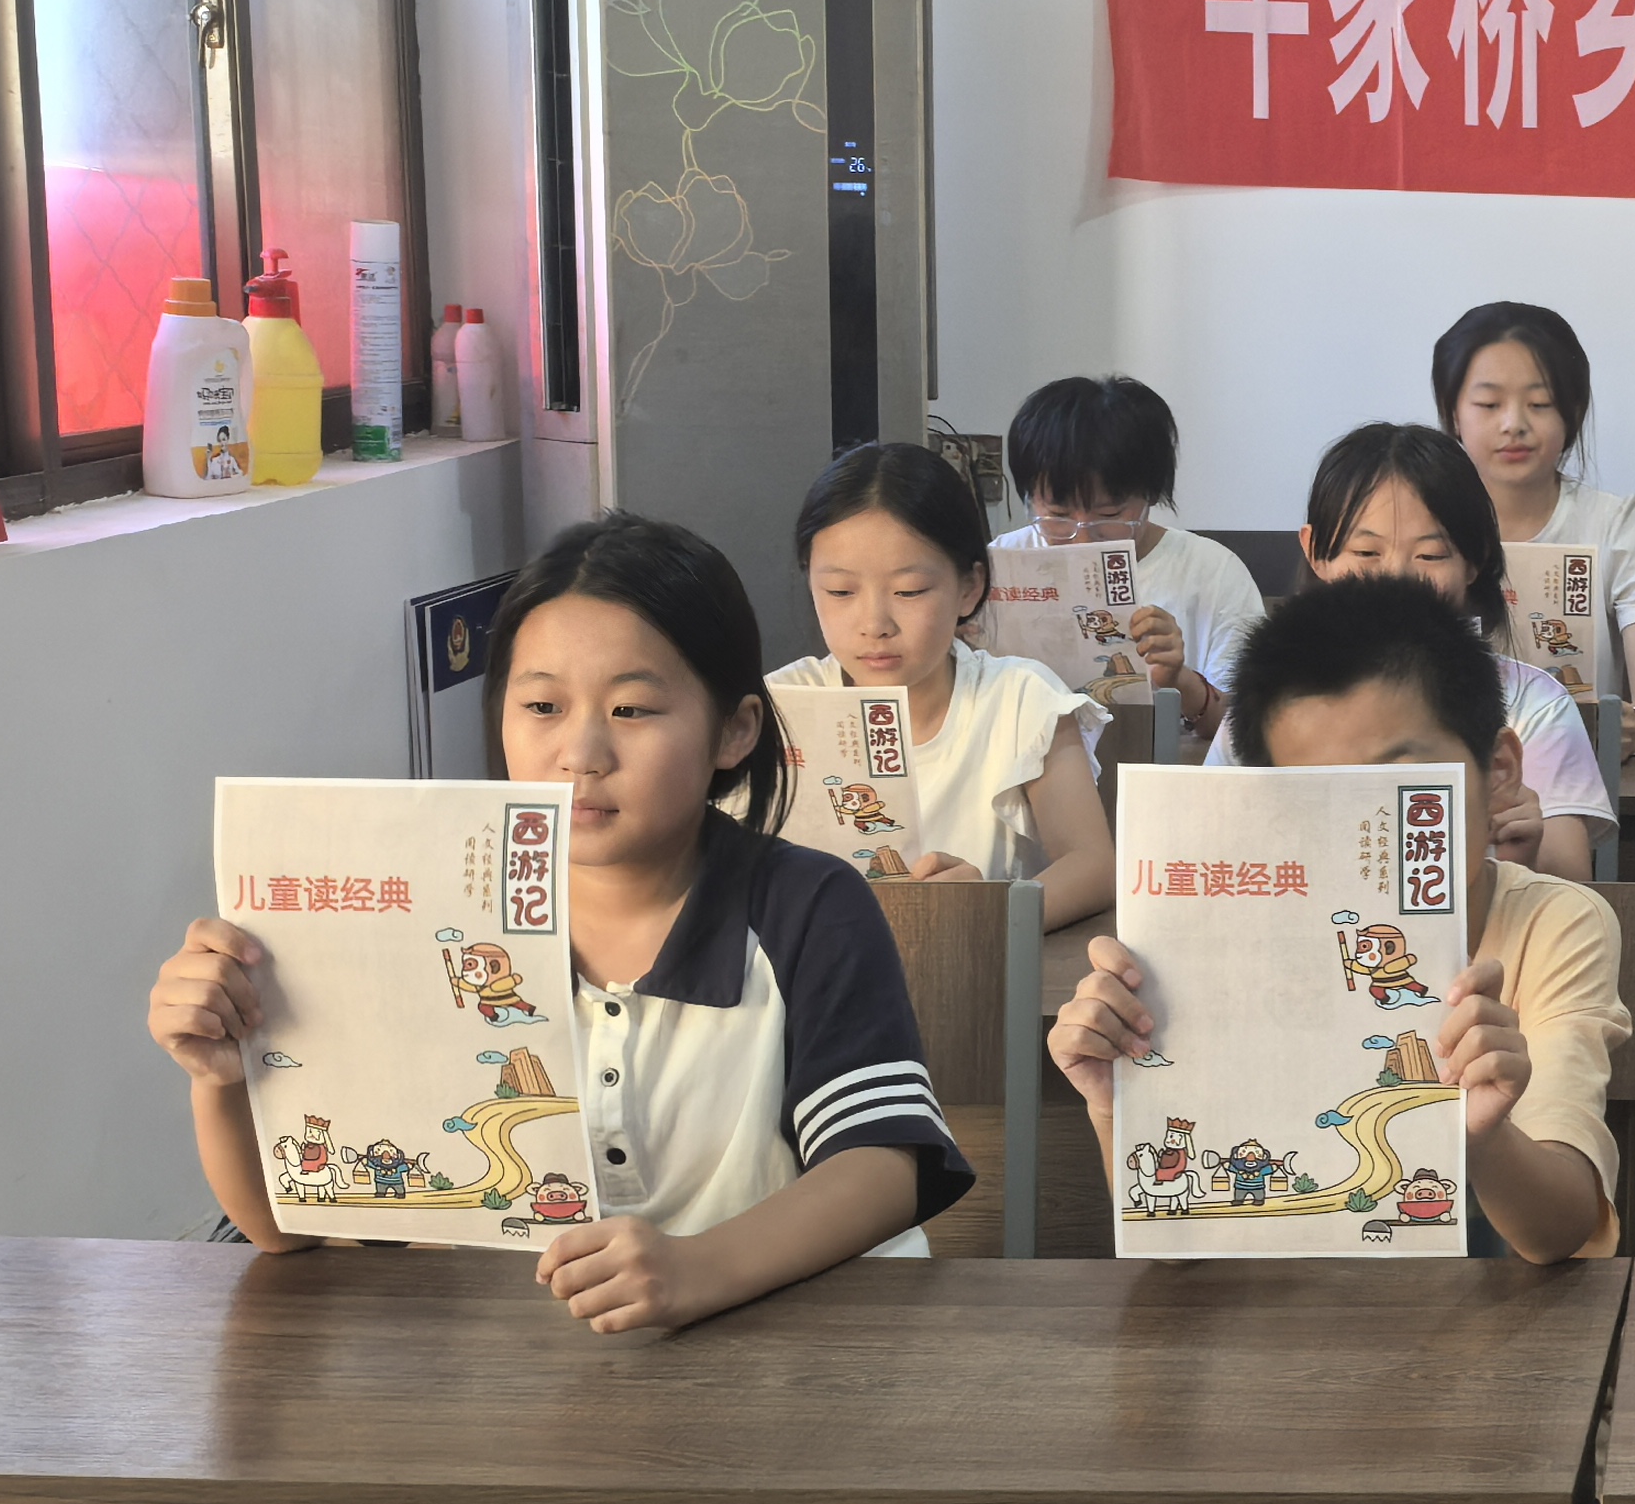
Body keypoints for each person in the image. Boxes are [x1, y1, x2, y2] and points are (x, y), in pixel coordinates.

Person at [146, 513, 971, 1332]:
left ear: (734, 730)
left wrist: (700, 1268)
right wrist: (221, 1077)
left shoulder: (806, 907)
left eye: (633, 710)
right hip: (530, 1378)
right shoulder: (426, 917)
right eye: (541, 705)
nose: (582, 753)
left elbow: (882, 1165)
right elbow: (288, 1226)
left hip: (793, 1357)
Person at [1054, 576, 1625, 1261]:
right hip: (1270, 1314)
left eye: (1399, 783)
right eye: (1316, 797)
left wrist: (1483, 1133)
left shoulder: (1554, 925)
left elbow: (1560, 1231)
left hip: (1483, 1318)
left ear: (1498, 770)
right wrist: (1120, 1102)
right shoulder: (1223, 933)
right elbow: (1179, 1250)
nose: (1365, 825)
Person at [1202, 423, 1612, 879]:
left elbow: (1571, 885)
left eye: (1430, 556)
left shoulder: (1533, 704)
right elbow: (1214, 847)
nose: (1396, 577)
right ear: (1316, 552)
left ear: (1474, 561)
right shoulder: (1275, 696)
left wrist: (1520, 858)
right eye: (1366, 553)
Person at [772, 442, 1116, 926]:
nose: (874, 624)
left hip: (968, 966)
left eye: (909, 591)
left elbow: (1093, 866)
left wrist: (982, 911)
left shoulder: (1020, 700)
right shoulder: (782, 707)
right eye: (840, 591)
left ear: (969, 588)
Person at [1432, 301, 1635, 745]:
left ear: (1573, 411)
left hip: (1581, 765)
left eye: (1540, 403)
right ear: (1452, 412)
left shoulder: (1618, 525)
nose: (1514, 424)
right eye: (1489, 404)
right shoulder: (1421, 522)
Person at [992, 374, 1270, 753]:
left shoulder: (1212, 573)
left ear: (1151, 494)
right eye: (1058, 515)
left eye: (1109, 514)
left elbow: (1251, 732)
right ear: (1029, 497)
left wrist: (1178, 679)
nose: (1083, 540)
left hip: (1164, 781)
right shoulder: (1000, 565)